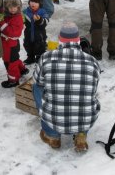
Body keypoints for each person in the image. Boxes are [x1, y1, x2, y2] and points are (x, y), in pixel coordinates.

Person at [33, 21, 101, 152]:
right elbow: (94, 87)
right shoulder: (92, 61)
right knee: (86, 93)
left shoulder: (46, 58)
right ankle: (81, 135)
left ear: (60, 40)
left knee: (36, 86)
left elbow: (37, 81)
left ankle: (53, 137)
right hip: (85, 119)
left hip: (54, 118)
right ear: (77, 40)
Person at [0, 0, 29, 88]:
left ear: (18, 6)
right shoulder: (9, 15)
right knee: (14, 59)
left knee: (10, 63)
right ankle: (22, 69)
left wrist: (1, 23)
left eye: (14, 6)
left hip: (10, 45)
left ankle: (13, 80)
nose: (12, 9)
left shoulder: (17, 18)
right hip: (10, 44)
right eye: (9, 6)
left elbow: (12, 32)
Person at [23, 0, 49, 65]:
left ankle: (39, 58)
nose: (33, 3)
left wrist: (40, 20)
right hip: (28, 34)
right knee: (28, 45)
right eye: (31, 1)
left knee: (39, 47)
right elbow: (21, 20)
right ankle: (30, 57)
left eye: (36, 2)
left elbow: (46, 22)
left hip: (39, 36)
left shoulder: (43, 12)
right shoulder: (26, 11)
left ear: (40, 4)